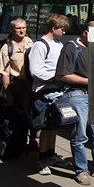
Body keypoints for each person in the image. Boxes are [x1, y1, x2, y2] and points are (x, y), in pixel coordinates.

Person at [56, 20, 94, 186]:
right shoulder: (71, 48)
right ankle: (81, 170)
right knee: (80, 134)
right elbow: (62, 75)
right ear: (85, 33)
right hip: (77, 95)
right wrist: (89, 81)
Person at [29, 13, 71, 175]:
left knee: (53, 126)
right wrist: (56, 77)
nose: (64, 32)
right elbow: (35, 70)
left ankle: (51, 154)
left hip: (56, 90)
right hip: (44, 91)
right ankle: (42, 159)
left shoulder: (58, 44)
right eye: (62, 29)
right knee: (45, 127)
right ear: (53, 28)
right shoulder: (40, 45)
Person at [0, 17, 37, 148]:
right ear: (12, 30)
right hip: (19, 85)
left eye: (24, 28)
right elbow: (4, 72)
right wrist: (8, 93)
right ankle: (20, 143)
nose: (22, 31)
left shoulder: (31, 42)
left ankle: (33, 140)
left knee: (35, 113)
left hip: (33, 84)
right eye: (18, 28)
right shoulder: (6, 48)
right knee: (22, 116)